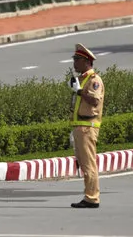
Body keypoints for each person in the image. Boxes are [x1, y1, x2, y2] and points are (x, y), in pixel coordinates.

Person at [68, 43, 104, 209]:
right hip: (80, 126)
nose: (74, 63)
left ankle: (92, 197)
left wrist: (80, 91)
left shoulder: (94, 79)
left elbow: (95, 100)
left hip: (87, 127)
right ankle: (90, 195)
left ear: (86, 61)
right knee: (85, 164)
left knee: (89, 164)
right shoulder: (82, 79)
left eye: (77, 59)